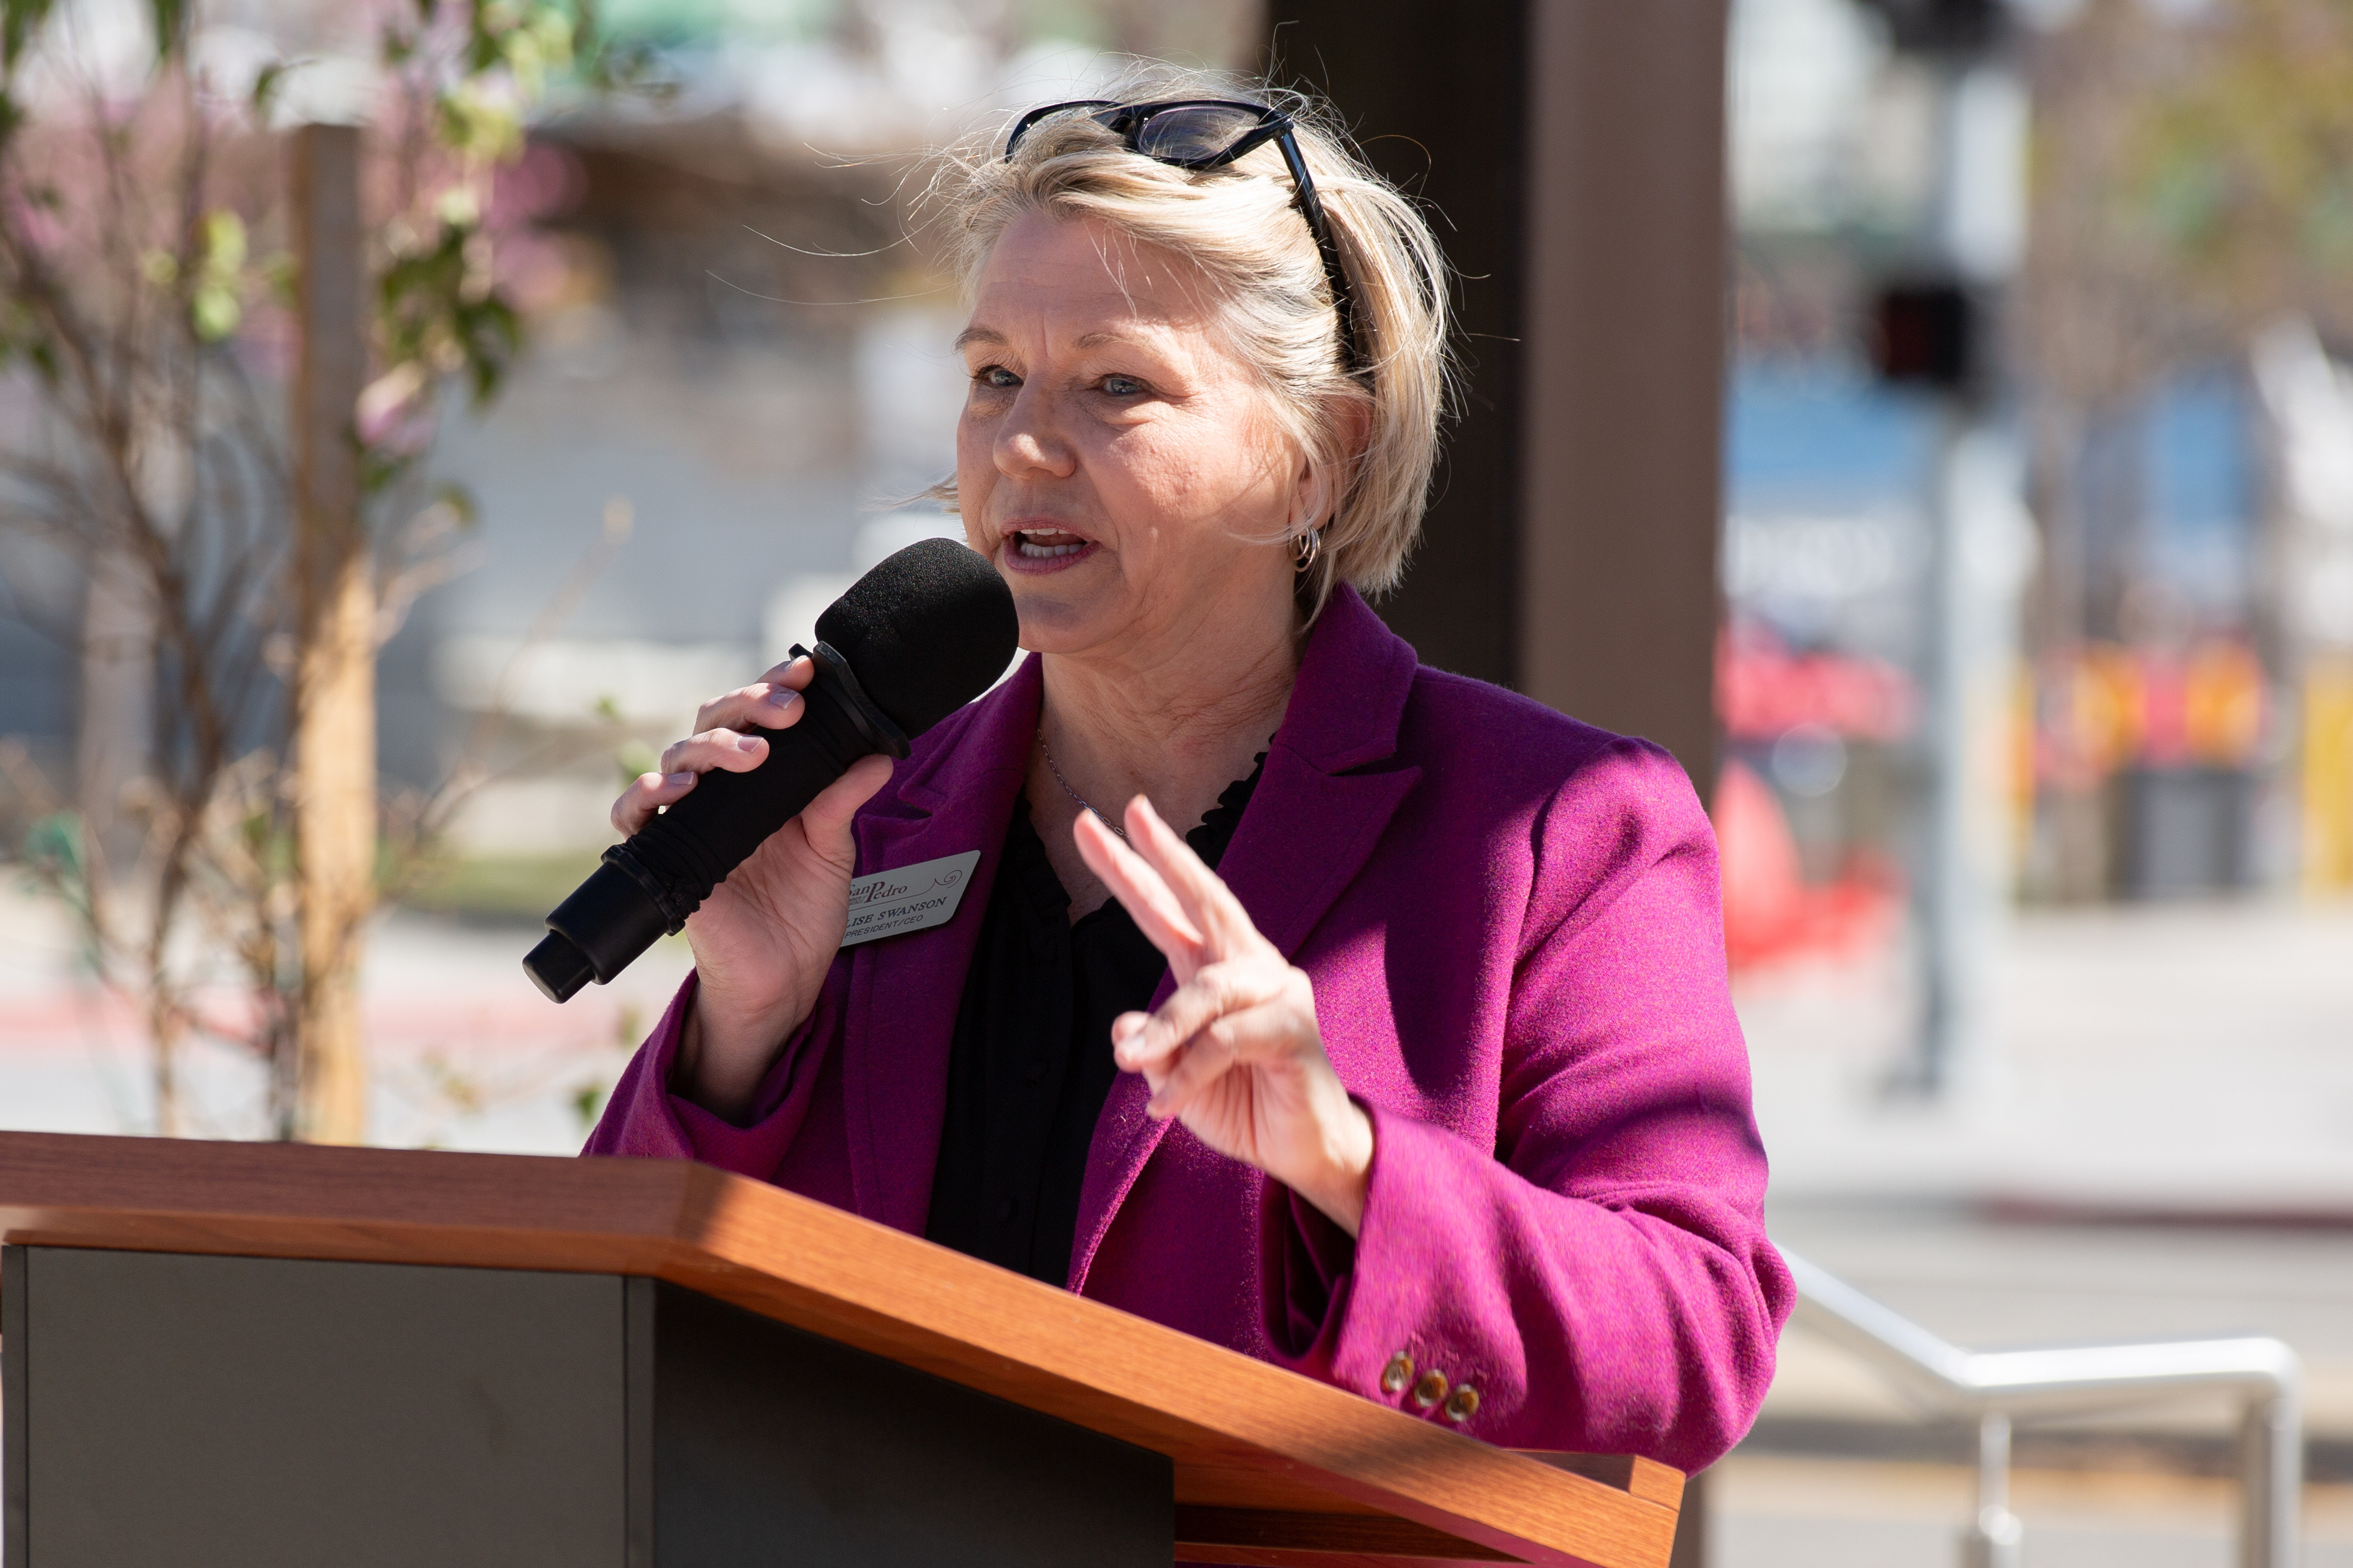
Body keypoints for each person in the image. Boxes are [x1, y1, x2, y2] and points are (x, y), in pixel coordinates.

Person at [586, 64, 1790, 1472]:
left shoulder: (1564, 832)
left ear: (1315, 462)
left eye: (1116, 385)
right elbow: (630, 1335)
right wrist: (751, 1024)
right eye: (992, 377)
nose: (1025, 445)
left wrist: (1343, 1160)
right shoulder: (863, 818)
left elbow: (1698, 1336)